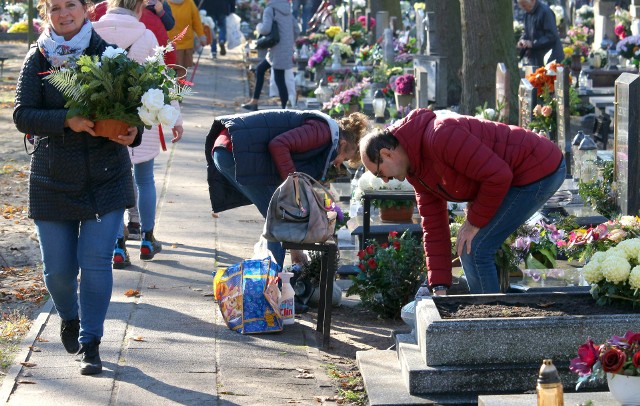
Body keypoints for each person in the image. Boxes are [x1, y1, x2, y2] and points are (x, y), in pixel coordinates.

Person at [13, 0, 142, 375]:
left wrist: (134, 133)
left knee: (97, 261)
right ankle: (68, 315)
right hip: (52, 177)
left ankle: (92, 342)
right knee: (58, 271)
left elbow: (134, 113)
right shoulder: (38, 58)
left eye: (71, 4)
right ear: (45, 14)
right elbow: (22, 114)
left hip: (107, 177)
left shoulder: (111, 55)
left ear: (87, 9)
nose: (64, 13)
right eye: (55, 7)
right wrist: (66, 119)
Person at [359, 109, 565, 296]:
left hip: (538, 169)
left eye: (379, 172)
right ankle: (490, 314)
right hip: (515, 177)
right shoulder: (416, 169)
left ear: (386, 153)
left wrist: (473, 222)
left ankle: (490, 325)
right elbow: (434, 225)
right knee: (470, 245)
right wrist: (439, 287)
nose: (384, 180)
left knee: (475, 247)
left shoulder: (440, 135)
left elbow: (498, 176)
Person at [206, 110, 369, 268]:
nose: (338, 163)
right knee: (278, 217)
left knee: (278, 215)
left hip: (233, 149)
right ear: (342, 144)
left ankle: (272, 277)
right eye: (344, 158)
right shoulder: (322, 132)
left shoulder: (325, 133)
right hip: (233, 150)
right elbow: (279, 144)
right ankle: (271, 283)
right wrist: (292, 184)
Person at [93, 0, 184, 268]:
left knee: (110, 181)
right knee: (145, 180)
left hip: (105, 121)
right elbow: (163, 79)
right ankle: (146, 238)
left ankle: (117, 245)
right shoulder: (146, 35)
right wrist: (176, 118)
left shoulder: (93, 32)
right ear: (139, 6)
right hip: (141, 118)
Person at [241, 0, 299, 110]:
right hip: (284, 49)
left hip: (276, 48)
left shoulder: (270, 9)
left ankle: (285, 110)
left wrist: (258, 26)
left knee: (279, 78)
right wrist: (289, 42)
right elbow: (297, 30)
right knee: (260, 69)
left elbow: (265, 29)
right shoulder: (288, 10)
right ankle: (254, 102)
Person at [517, 0, 564, 68]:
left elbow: (551, 36)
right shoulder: (528, 13)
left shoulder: (545, 12)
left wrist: (533, 44)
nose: (522, 8)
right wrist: (522, 40)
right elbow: (527, 32)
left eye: (524, 5)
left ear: (533, 1)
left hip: (550, 58)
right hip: (536, 58)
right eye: (520, 5)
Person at [167, 0, 206, 78]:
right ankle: (181, 89)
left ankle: (170, 88)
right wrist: (202, 37)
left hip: (169, 43)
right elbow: (197, 22)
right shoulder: (189, 3)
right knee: (182, 71)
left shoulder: (165, 3)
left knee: (167, 71)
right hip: (185, 43)